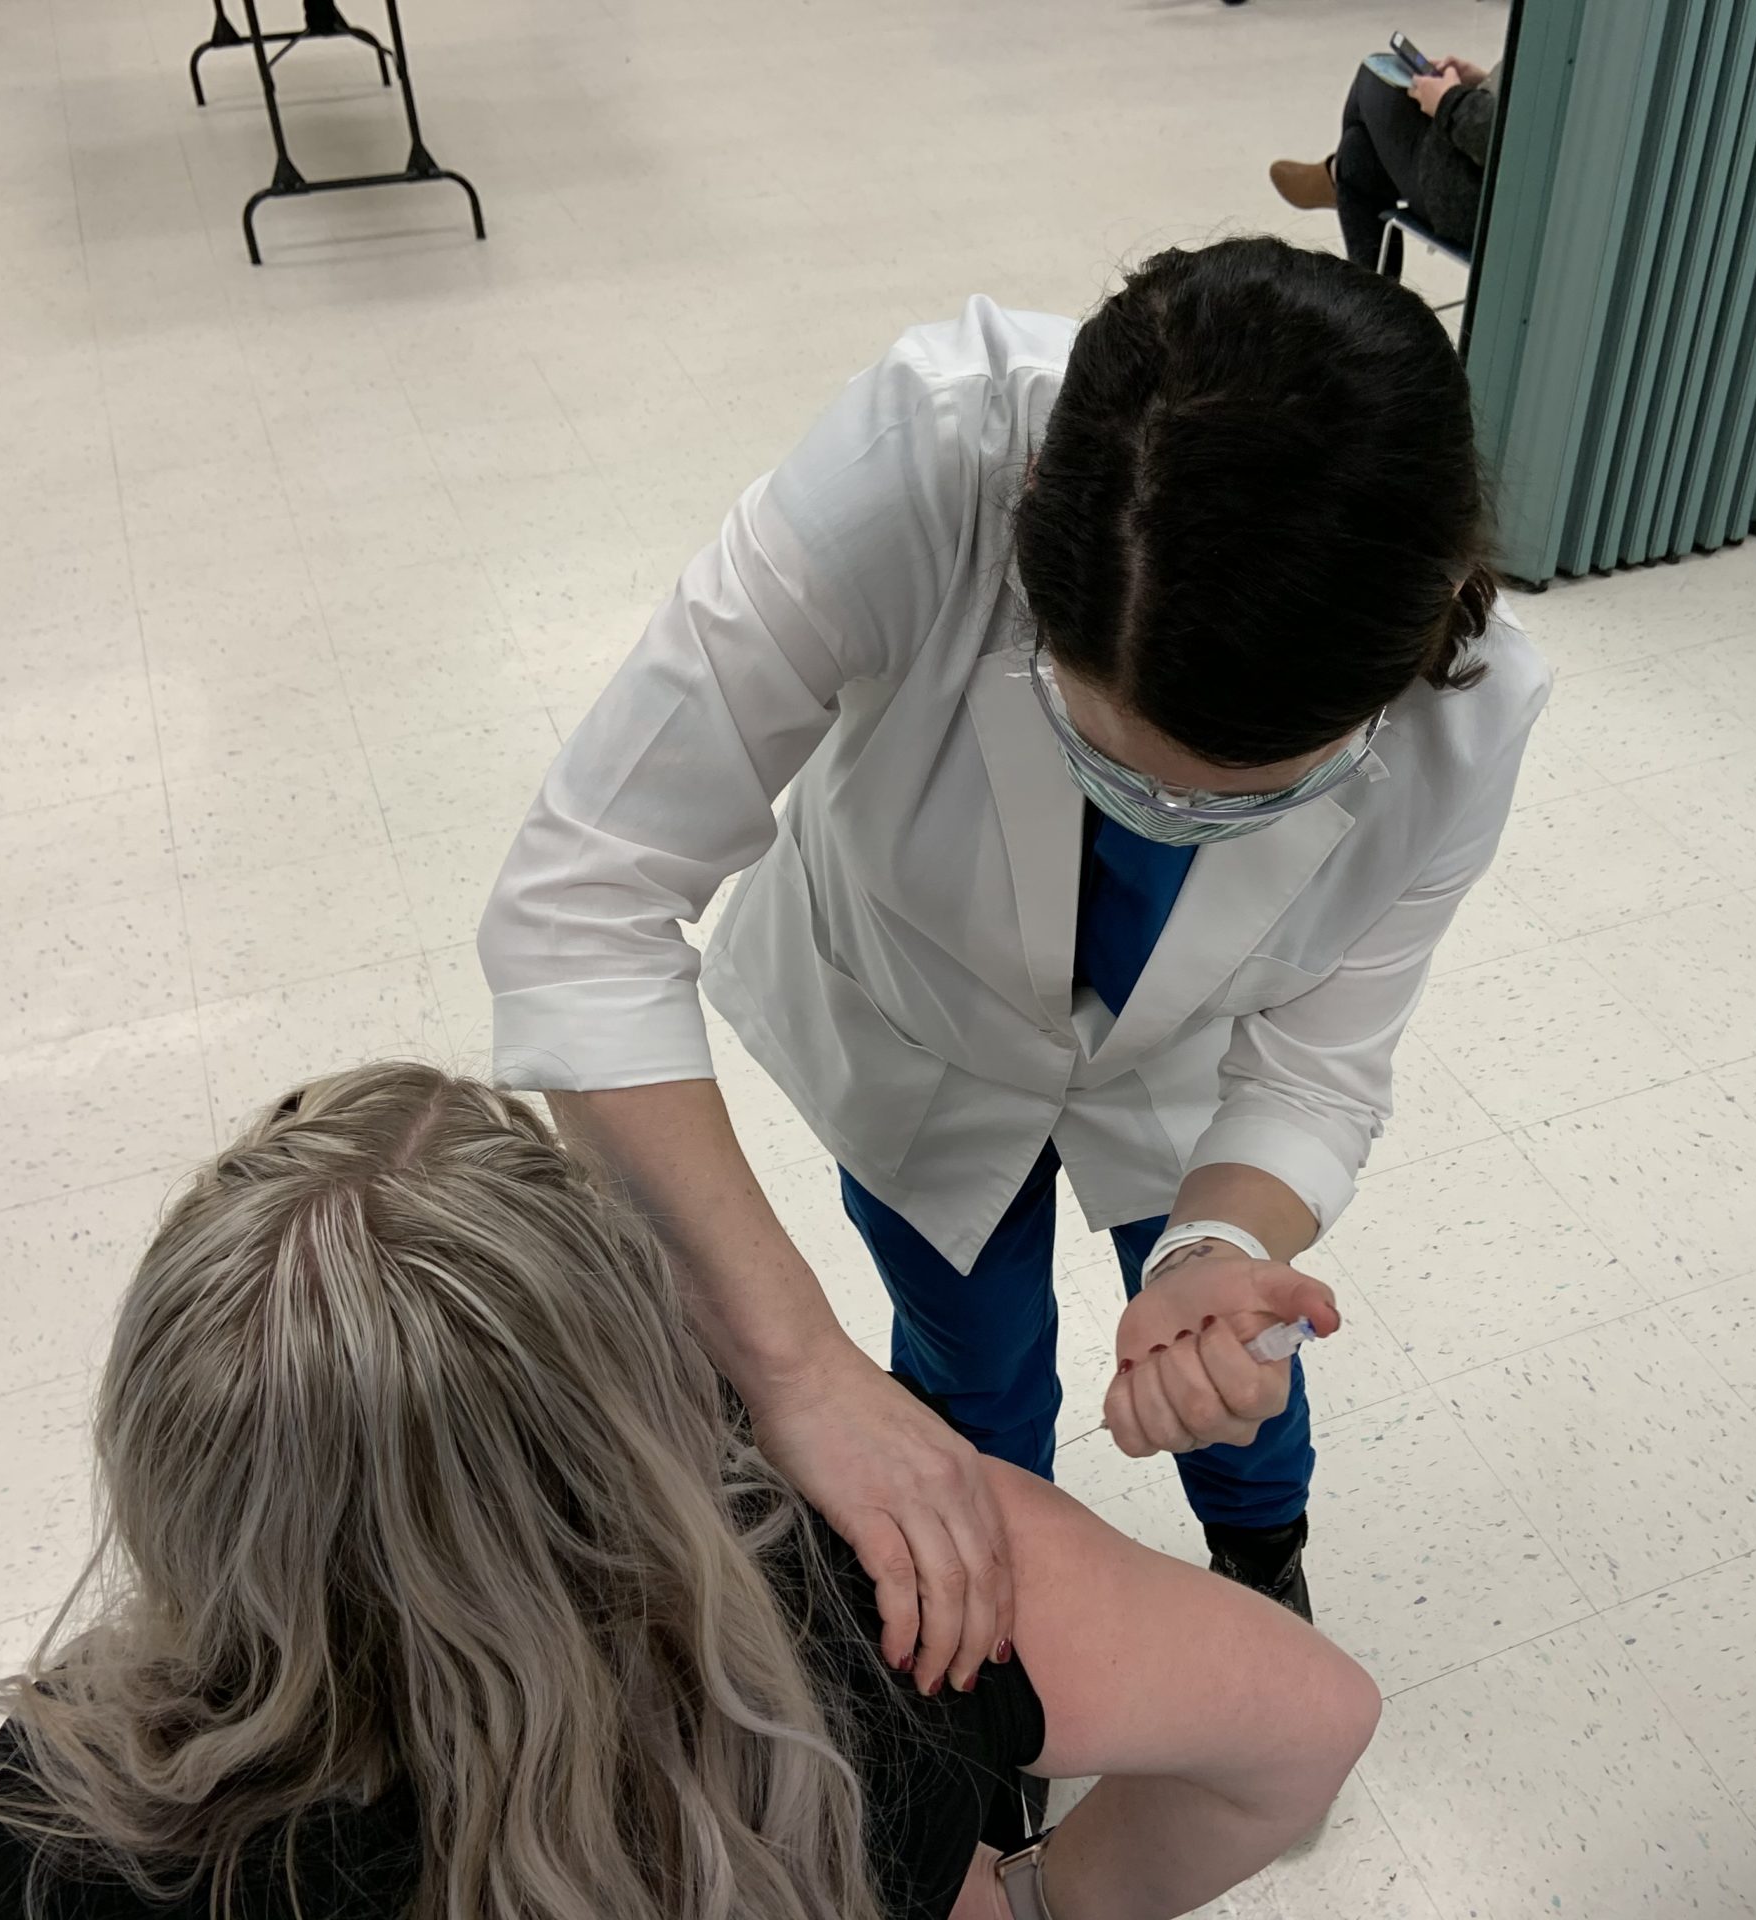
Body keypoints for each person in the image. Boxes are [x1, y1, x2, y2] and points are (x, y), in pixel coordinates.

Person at [482, 237, 1549, 1684]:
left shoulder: (1469, 715)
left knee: (1228, 1358)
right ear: (1028, 571)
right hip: (912, 1027)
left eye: (1238, 801)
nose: (1163, 822)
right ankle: (990, 1644)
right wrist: (798, 1371)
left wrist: (1226, 1245)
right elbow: (580, 903)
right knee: (966, 1365)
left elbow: (1317, 1063)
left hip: (1181, 1070)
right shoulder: (920, 463)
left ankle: (1261, 1554)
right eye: (1110, 766)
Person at [0, 1064, 1382, 1920]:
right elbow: (1313, 1721)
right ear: (640, 1352)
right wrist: (1045, 1897)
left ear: (166, 1453)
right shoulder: (899, 1600)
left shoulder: (70, 1814)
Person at [1272, 55, 1499, 266]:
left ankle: (1334, 175)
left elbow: (1511, 140)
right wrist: (1486, 81)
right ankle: (1339, 174)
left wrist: (1451, 100)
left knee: (1374, 76)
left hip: (1490, 206)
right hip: (1496, 184)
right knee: (1357, 152)